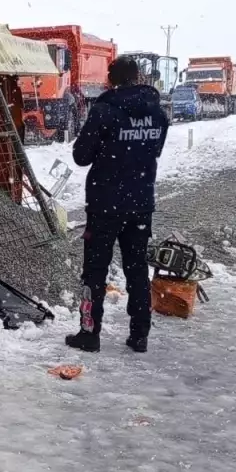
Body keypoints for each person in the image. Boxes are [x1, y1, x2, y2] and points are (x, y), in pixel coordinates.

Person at [66, 54, 169, 353]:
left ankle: (89, 333)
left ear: (111, 79)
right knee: (136, 269)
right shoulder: (157, 113)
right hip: (140, 203)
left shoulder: (104, 111)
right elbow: (156, 150)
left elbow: (81, 156)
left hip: (105, 204)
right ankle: (140, 335)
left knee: (94, 271)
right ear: (137, 76)